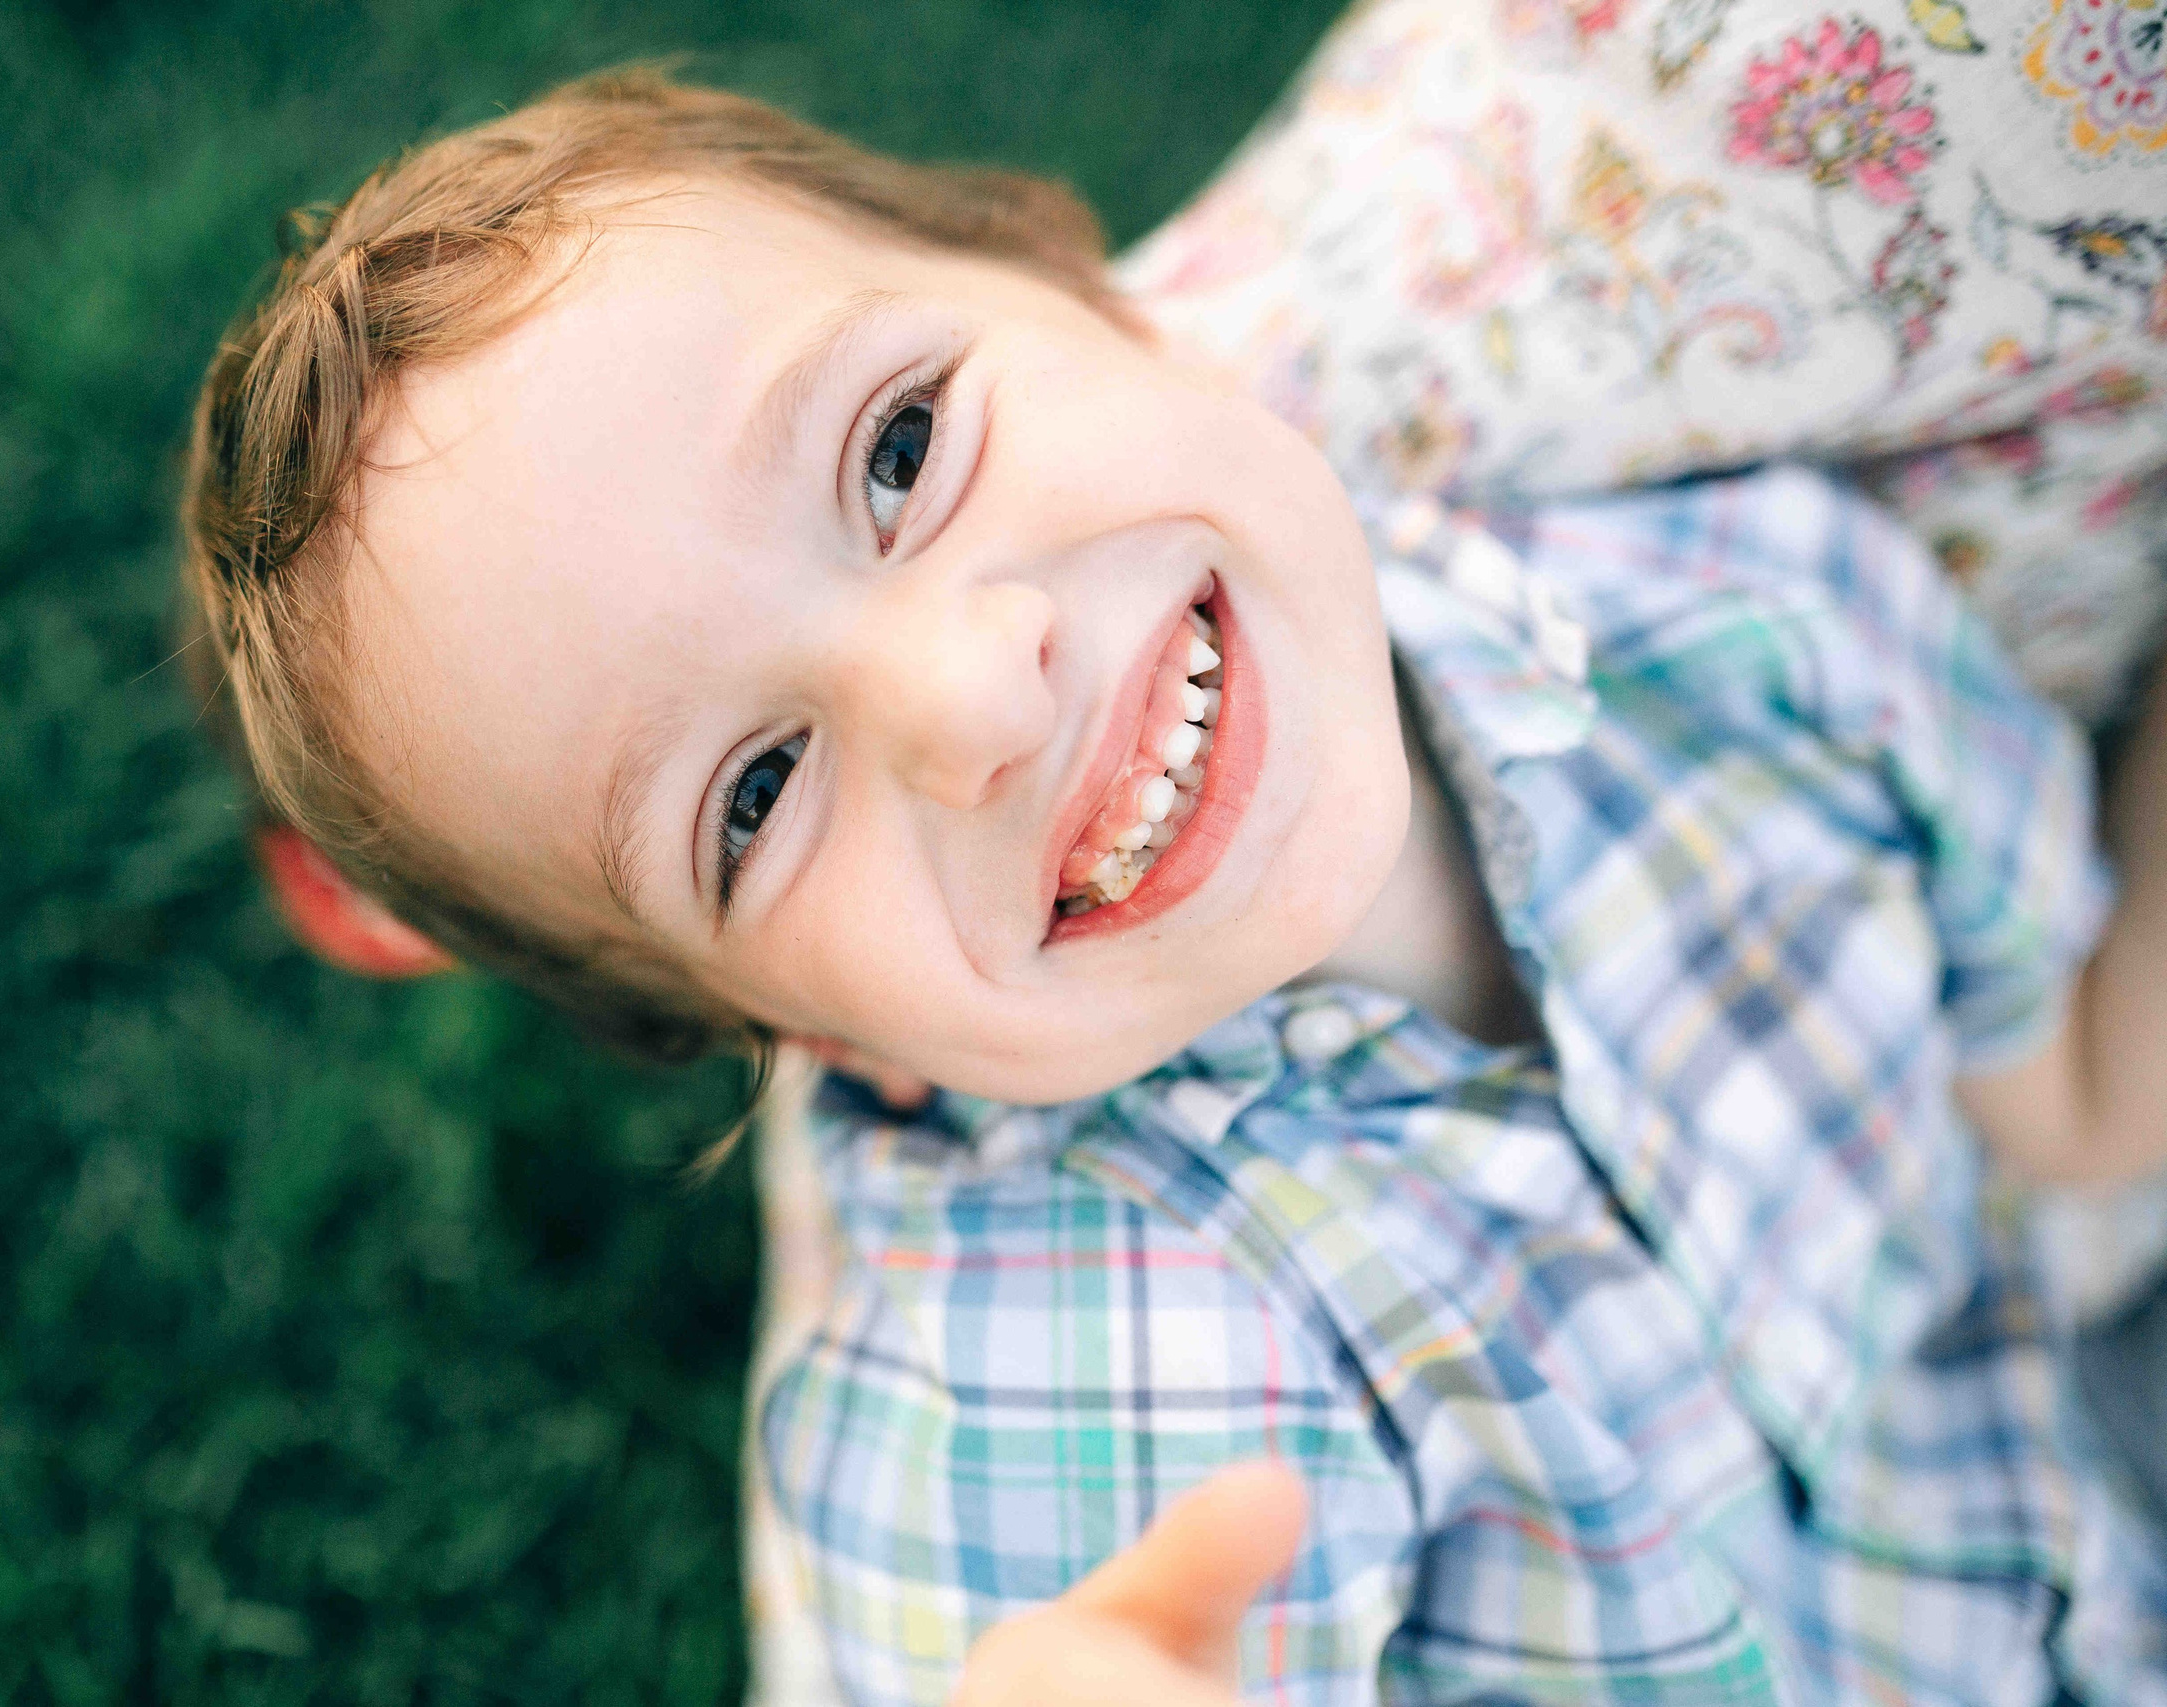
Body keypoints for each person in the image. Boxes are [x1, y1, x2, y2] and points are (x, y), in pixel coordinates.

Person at [174, 24, 2167, 1702]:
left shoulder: (1729, 608)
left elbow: (2070, 1093)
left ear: (1083, 287)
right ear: (773, 1028)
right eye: (758, 794)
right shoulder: (1048, 1400)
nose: (970, 696)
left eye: (893, 451)